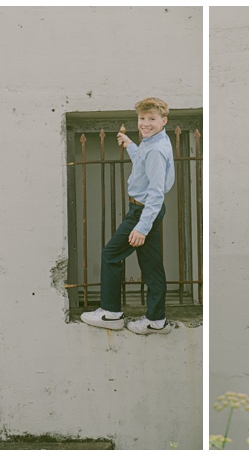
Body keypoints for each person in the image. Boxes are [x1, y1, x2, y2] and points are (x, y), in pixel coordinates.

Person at [80, 97, 176, 335]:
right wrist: (131, 145)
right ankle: (157, 321)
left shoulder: (155, 149)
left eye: (152, 119)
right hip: (146, 210)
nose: (145, 123)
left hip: (144, 210)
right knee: (152, 266)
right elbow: (143, 164)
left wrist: (142, 227)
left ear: (164, 121)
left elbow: (156, 193)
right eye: (142, 118)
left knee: (111, 254)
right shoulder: (153, 141)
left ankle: (111, 314)